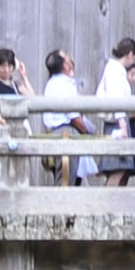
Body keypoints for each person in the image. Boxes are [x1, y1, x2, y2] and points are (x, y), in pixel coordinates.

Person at [39, 49, 98, 185]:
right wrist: (86, 131)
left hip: (56, 132)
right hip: (65, 132)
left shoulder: (54, 83)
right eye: (66, 57)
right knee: (65, 181)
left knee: (70, 178)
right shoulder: (63, 84)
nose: (70, 59)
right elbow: (74, 116)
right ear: (65, 65)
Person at [0, 47, 34, 187]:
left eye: (9, 66)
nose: (6, 70)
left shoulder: (14, 85)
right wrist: (7, 122)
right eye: (2, 66)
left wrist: (24, 76)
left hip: (14, 131)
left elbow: (32, 97)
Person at [93, 37, 135, 186]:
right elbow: (117, 99)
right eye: (134, 58)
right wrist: (123, 125)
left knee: (122, 169)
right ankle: (105, 205)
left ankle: (113, 206)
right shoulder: (116, 71)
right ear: (130, 54)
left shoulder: (115, 70)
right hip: (117, 123)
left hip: (118, 121)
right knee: (117, 168)